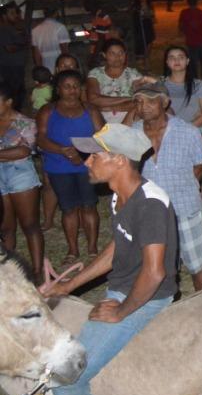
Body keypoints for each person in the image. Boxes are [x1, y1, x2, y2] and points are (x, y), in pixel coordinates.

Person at [39, 124, 178, 395]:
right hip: (125, 288)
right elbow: (118, 248)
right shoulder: (122, 196)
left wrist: (122, 310)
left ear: (118, 160)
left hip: (147, 297)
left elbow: (154, 273)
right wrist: (70, 285)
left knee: (68, 380)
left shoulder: (151, 203)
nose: (86, 162)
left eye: (93, 156)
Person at [135, 81, 202, 292]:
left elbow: (200, 164)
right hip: (149, 213)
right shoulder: (131, 134)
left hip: (184, 208)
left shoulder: (187, 131)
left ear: (165, 102)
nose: (144, 106)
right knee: (157, 267)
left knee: (197, 265)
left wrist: (184, 187)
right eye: (139, 101)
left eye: (151, 101)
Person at [37, 70, 103, 265]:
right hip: (59, 166)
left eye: (75, 86)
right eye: (67, 86)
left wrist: (82, 154)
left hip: (86, 166)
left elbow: (101, 137)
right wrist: (64, 151)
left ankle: (92, 248)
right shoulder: (48, 111)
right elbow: (40, 138)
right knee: (68, 209)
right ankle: (73, 249)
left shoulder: (90, 110)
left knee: (89, 205)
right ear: (58, 89)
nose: (72, 90)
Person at [0, 83, 44, 278]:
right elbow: (16, 151)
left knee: (30, 225)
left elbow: (25, 151)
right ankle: (8, 272)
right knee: (5, 228)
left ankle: (36, 270)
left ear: (8, 102)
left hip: (20, 174)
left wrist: (9, 154)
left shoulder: (25, 123)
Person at [85, 39, 144, 124]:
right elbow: (94, 99)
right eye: (112, 53)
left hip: (129, 118)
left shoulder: (133, 74)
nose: (117, 57)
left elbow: (139, 102)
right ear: (104, 55)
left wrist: (108, 107)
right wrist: (128, 98)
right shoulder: (95, 73)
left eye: (121, 53)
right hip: (100, 118)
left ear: (125, 54)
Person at [160, 45, 202, 129]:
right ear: (167, 62)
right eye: (172, 57)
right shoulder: (161, 84)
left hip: (194, 128)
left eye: (181, 57)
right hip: (168, 129)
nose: (176, 60)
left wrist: (185, 129)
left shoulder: (198, 85)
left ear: (187, 61)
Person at [177, 0, 202, 83]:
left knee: (194, 64)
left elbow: (180, 26)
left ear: (188, 3)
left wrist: (185, 32)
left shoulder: (184, 12)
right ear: (197, 2)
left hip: (191, 42)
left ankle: (195, 82)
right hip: (201, 41)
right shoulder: (201, 13)